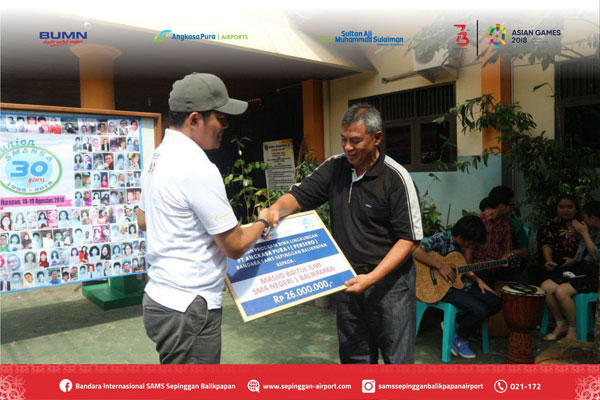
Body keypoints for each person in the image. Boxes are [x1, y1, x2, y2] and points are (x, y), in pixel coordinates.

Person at [266, 103, 423, 364]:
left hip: (390, 286)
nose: (347, 147)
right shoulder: (335, 168)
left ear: (377, 139)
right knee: (355, 358)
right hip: (348, 280)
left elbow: (409, 239)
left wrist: (371, 278)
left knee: (398, 361)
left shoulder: (396, 178)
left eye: (356, 141)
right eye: (343, 139)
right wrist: (275, 209)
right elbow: (298, 196)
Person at [139, 73, 272, 365]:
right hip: (190, 308)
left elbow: (142, 219)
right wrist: (263, 222)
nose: (225, 127)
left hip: (161, 298)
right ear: (195, 119)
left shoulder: (156, 158)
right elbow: (234, 245)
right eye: (221, 119)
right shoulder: (196, 167)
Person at [413, 215, 497, 358]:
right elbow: (415, 250)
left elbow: (461, 268)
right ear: (459, 235)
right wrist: (440, 266)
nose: (471, 246)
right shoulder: (441, 238)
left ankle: (454, 328)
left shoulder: (461, 248)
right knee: (480, 310)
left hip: (457, 285)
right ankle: (462, 338)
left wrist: (477, 280)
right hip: (438, 287)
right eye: (470, 243)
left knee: (495, 302)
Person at [541, 201, 600, 340]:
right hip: (583, 269)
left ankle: (573, 331)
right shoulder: (591, 230)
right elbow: (580, 256)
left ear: (594, 218)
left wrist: (585, 234)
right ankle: (561, 324)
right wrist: (572, 261)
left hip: (596, 274)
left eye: (585, 217)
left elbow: (597, 257)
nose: (582, 220)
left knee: (562, 291)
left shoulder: (588, 232)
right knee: (546, 287)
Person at [464, 186, 515, 288]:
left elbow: (507, 249)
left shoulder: (506, 224)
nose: (511, 209)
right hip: (479, 268)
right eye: (511, 205)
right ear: (501, 206)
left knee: (520, 285)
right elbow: (468, 251)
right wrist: (469, 274)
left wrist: (504, 261)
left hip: (498, 268)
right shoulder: (478, 221)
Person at [538, 195, 580, 283]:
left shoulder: (583, 225)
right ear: (556, 209)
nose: (565, 210)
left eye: (570, 207)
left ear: (576, 209)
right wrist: (549, 261)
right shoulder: (550, 225)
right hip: (555, 265)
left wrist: (576, 260)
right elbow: (546, 244)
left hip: (579, 265)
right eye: (561, 207)